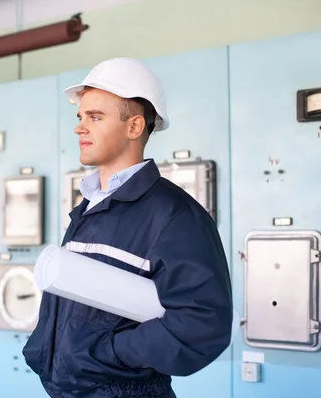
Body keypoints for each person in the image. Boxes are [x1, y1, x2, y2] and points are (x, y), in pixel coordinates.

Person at [22, 57, 233, 398]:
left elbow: (203, 324)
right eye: (80, 116)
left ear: (134, 127)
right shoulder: (89, 207)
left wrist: (110, 353)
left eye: (95, 117)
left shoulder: (175, 215)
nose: (79, 127)